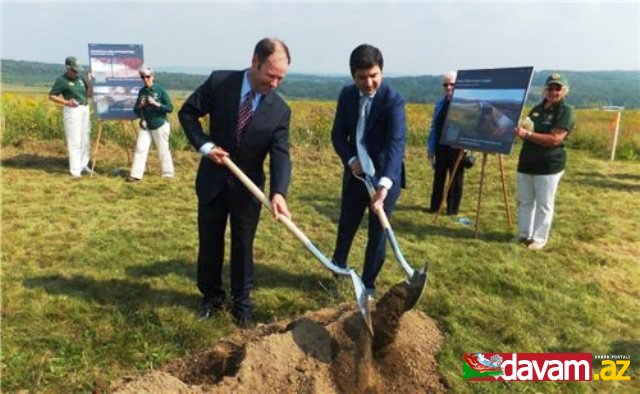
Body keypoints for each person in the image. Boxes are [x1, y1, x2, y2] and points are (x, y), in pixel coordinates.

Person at [178, 38, 292, 327]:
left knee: (243, 245)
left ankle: (242, 305)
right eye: (271, 76)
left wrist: (279, 192)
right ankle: (211, 297)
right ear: (255, 62)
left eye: (281, 78)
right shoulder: (220, 83)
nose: (275, 84)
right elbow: (188, 113)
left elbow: (281, 155)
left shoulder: (279, 110)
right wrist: (205, 146)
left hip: (248, 188)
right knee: (210, 242)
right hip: (213, 182)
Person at [331, 44, 406, 298]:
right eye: (362, 77)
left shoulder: (392, 101)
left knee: (378, 233)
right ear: (353, 75)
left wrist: (384, 184)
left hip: (385, 176)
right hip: (356, 174)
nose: (369, 82)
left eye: (373, 75)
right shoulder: (347, 95)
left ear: (381, 72)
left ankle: (369, 284)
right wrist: (351, 159)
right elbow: (338, 135)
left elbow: (396, 145)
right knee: (347, 223)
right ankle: (338, 268)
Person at [513, 73, 576, 250]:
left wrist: (528, 135)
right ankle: (524, 234)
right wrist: (520, 132)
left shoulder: (566, 111)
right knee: (525, 201)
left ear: (564, 91)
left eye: (558, 88)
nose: (553, 91)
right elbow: (527, 130)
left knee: (544, 204)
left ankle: (539, 239)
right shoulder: (536, 109)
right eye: (550, 88)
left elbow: (555, 139)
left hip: (548, 165)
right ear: (545, 90)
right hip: (527, 162)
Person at [426, 71, 466, 215]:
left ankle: (452, 209)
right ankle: (435, 206)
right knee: (439, 176)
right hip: (441, 145)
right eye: (446, 85)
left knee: (455, 178)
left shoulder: (464, 104)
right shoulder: (440, 103)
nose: (448, 88)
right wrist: (430, 146)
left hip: (457, 146)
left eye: (452, 84)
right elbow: (434, 126)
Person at [127, 64, 175, 182]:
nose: (145, 79)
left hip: (160, 124)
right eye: (143, 77)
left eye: (147, 76)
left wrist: (156, 104)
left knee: (163, 149)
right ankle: (135, 175)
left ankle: (168, 174)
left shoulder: (160, 90)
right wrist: (141, 106)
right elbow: (136, 110)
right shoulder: (142, 91)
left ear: (153, 77)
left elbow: (170, 108)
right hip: (145, 125)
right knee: (140, 148)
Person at [49, 56, 93, 177]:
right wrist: (66, 102)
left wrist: (90, 82)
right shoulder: (61, 80)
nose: (76, 72)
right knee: (75, 140)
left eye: (77, 70)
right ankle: (75, 170)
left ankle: (84, 165)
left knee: (85, 138)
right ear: (67, 68)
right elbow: (52, 96)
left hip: (84, 108)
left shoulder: (80, 78)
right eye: (74, 70)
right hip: (72, 111)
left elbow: (88, 94)